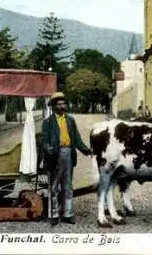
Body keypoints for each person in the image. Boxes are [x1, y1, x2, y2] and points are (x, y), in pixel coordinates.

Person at [41, 92, 92, 226]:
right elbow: (44, 140)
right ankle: (54, 214)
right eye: (59, 104)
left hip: (68, 153)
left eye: (64, 103)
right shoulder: (48, 122)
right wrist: (48, 148)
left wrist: (86, 150)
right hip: (55, 156)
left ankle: (68, 214)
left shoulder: (70, 120)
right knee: (54, 186)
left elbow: (77, 139)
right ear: (53, 106)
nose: (62, 106)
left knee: (68, 186)